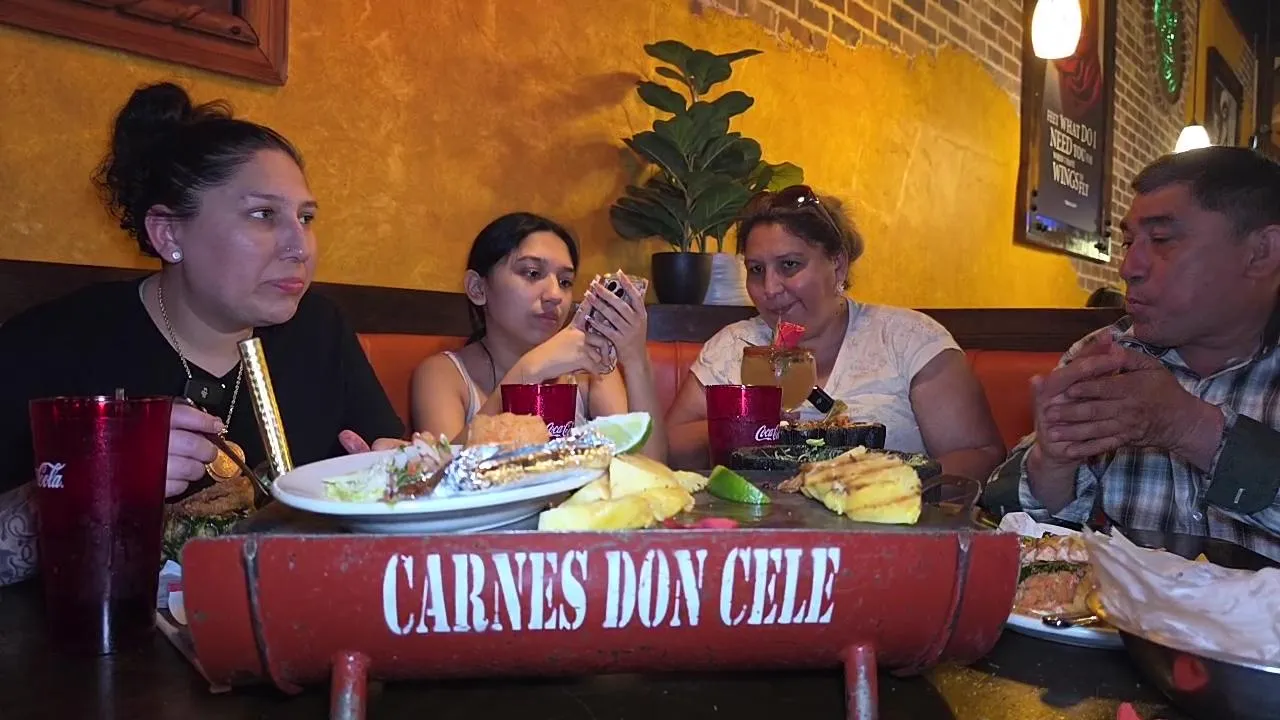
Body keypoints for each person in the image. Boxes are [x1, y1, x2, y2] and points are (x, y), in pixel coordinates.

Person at [0, 82, 405, 586]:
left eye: (306, 218)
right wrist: (89, 481)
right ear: (169, 233)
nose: (300, 246)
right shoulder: (55, 341)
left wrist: (393, 489)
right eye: (263, 214)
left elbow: (384, 459)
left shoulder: (320, 330)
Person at [984, 147, 1280, 560]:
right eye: (1127, 242)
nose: (1128, 267)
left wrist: (1190, 427)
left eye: (1161, 240)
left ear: (1261, 252)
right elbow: (1017, 528)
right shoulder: (1104, 358)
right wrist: (1052, 462)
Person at [664, 185, 1005, 480]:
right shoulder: (734, 346)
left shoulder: (907, 339)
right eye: (756, 269)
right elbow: (671, 447)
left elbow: (980, 455)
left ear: (838, 265)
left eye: (789, 265)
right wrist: (742, 423)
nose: (769, 288)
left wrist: (885, 486)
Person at [411, 212, 668, 460]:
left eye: (565, 282)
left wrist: (636, 360)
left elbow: (648, 471)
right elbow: (439, 475)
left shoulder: (590, 371)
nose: (555, 295)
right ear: (477, 288)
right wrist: (529, 371)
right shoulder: (443, 374)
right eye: (532, 273)